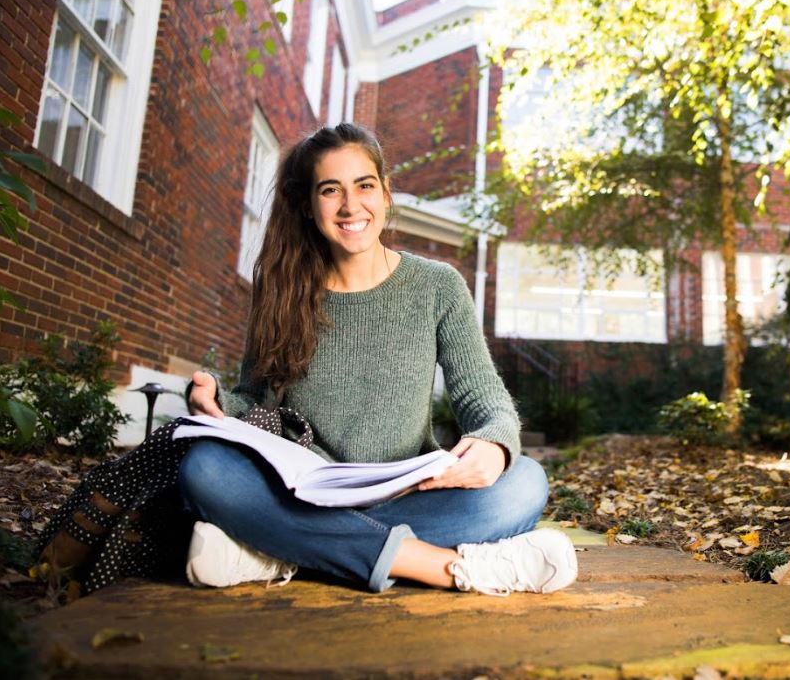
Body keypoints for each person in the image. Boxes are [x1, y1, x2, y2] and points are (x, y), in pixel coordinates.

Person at [179, 123, 576, 596]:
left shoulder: (438, 285)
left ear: (386, 194)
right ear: (309, 205)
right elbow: (253, 400)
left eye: (364, 185)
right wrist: (216, 404)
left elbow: (482, 395)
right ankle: (444, 566)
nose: (350, 206)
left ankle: (277, 551)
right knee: (204, 468)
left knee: (525, 482)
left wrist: (494, 442)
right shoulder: (282, 289)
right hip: (308, 493)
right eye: (331, 190)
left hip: (414, 492)